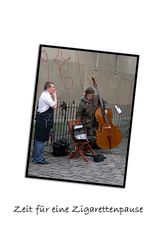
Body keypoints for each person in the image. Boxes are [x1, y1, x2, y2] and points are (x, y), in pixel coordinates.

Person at [32, 81, 57, 164]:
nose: (54, 88)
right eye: (52, 87)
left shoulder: (46, 95)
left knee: (38, 139)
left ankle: (35, 157)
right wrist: (55, 95)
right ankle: (38, 158)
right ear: (48, 88)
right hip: (43, 121)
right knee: (40, 139)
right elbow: (54, 106)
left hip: (43, 120)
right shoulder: (46, 95)